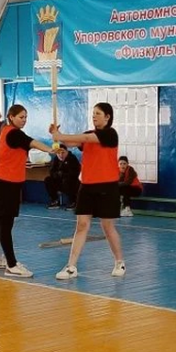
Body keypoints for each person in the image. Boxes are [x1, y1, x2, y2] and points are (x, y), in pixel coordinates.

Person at [51, 102, 126, 280]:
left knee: (107, 226)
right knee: (82, 225)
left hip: (107, 187)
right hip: (87, 186)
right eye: (93, 113)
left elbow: (86, 139)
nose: (94, 116)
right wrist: (57, 135)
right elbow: (71, 142)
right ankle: (71, 266)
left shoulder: (110, 134)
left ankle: (119, 262)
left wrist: (60, 135)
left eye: (98, 113)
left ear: (107, 117)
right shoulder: (88, 134)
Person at [0, 104, 55, 277]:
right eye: (21, 117)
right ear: (11, 117)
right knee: (5, 224)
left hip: (5, 183)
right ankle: (11, 265)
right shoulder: (13, 133)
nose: (24, 120)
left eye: (26, 117)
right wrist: (50, 149)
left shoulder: (8, 131)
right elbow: (32, 142)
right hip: (5, 185)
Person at [44, 143, 81, 209]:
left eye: (63, 153)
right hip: (60, 181)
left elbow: (74, 173)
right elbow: (52, 172)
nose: (61, 155)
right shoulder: (56, 159)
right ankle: (55, 200)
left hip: (72, 182)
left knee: (67, 180)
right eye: (59, 153)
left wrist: (62, 174)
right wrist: (58, 174)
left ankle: (73, 202)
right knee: (48, 180)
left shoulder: (72, 158)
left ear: (67, 151)